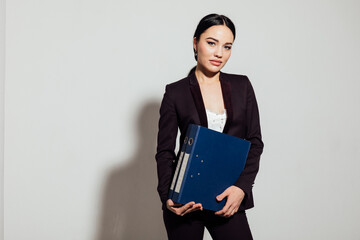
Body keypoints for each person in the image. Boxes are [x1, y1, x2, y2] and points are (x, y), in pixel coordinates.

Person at [155, 13, 264, 240]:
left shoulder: (242, 86)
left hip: (227, 196)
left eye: (227, 46)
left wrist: (241, 189)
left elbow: (255, 142)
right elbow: (165, 152)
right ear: (196, 43)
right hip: (186, 199)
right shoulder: (175, 92)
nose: (219, 53)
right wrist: (168, 197)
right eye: (211, 43)